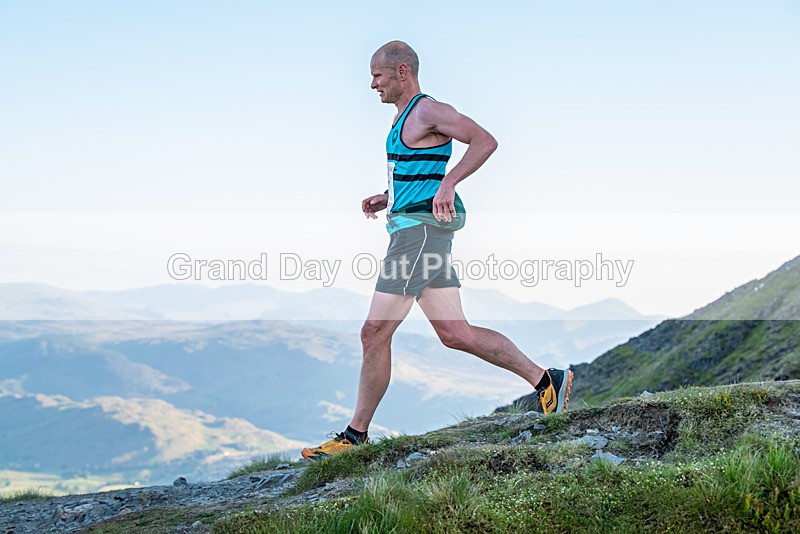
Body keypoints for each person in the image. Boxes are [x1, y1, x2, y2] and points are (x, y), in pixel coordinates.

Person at [301, 41, 573, 461]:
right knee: (455, 333)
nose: (372, 85)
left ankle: (354, 438)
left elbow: (484, 141)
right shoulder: (402, 119)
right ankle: (546, 380)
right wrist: (389, 197)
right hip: (417, 232)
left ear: (402, 71)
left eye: (377, 75)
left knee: (374, 332)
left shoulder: (427, 111)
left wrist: (450, 183)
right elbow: (420, 171)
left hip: (419, 237)